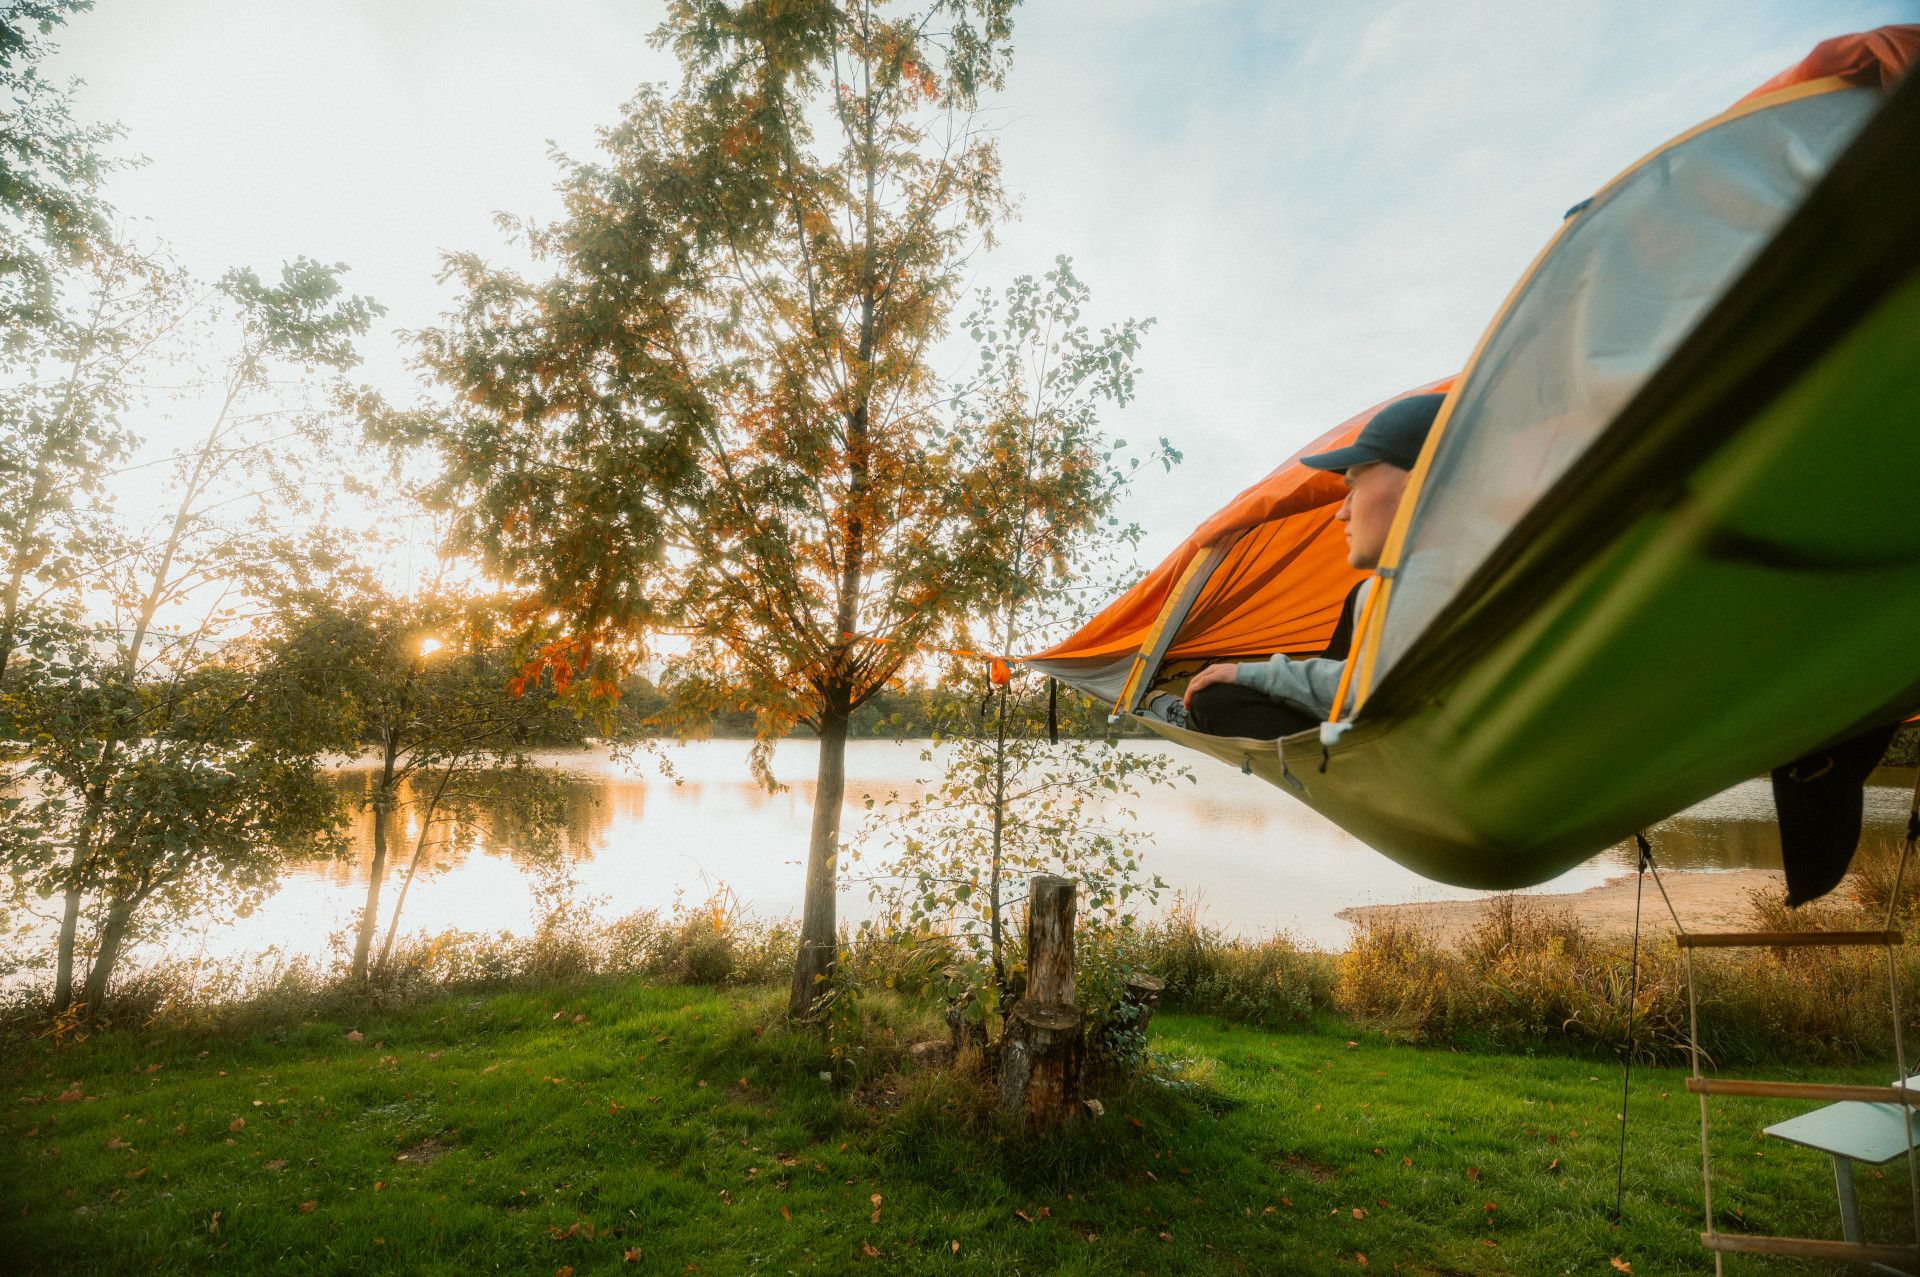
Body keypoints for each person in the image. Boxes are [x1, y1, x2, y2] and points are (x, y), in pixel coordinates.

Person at [1175, 391, 1445, 740]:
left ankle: (1194, 711)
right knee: (1358, 594)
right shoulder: (1478, 567)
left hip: (1386, 749)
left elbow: (1362, 692)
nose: (1341, 512)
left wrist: (1248, 674)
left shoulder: (1430, 586)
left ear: (1417, 487)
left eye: (1354, 486)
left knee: (1215, 700)